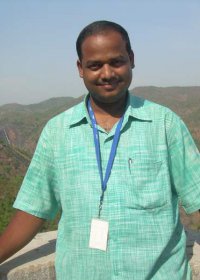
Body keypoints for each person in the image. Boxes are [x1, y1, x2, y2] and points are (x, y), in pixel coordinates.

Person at [0, 20, 200, 280]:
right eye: (95, 65)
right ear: (80, 68)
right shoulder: (57, 132)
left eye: (116, 61)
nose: (107, 73)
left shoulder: (165, 125)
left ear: (131, 59)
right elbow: (33, 209)